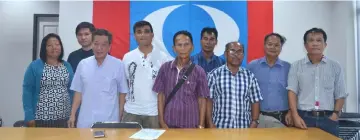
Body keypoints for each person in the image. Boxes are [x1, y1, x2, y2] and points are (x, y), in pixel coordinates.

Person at [287, 28, 347, 137]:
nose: (315, 44)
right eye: (311, 40)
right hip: (304, 117)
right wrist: (295, 115)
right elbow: (292, 92)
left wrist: (335, 114)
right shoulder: (296, 66)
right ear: (305, 45)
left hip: (329, 119)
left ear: (325, 45)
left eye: (319, 40)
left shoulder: (335, 66)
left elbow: (341, 94)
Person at [68, 29, 128, 128]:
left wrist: (120, 116)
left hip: (110, 120)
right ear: (92, 45)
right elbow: (78, 92)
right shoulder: (83, 64)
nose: (99, 48)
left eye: (104, 45)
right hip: (85, 120)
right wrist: (72, 114)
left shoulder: (118, 64)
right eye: (96, 44)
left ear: (109, 47)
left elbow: (122, 93)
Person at [152, 30, 209, 128]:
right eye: (179, 45)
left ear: (192, 47)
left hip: (191, 124)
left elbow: (202, 99)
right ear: (174, 48)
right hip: (168, 123)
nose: (183, 48)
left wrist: (201, 124)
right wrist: (161, 122)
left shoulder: (199, 71)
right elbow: (160, 96)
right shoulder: (165, 68)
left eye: (186, 44)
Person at [122, 21, 171, 128]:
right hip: (131, 111)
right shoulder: (127, 57)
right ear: (134, 36)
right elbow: (125, 85)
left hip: (154, 112)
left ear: (152, 35)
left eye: (146, 32)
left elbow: (165, 89)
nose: (143, 35)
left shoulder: (163, 57)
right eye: (139, 32)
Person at [22, 33, 74, 128]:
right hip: (41, 118)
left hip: (64, 118)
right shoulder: (35, 66)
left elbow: (72, 90)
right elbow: (27, 91)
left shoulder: (67, 66)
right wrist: (29, 116)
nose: (54, 47)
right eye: (50, 45)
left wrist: (73, 114)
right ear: (44, 48)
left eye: (57, 44)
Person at [207, 42, 263, 128]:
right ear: (225, 54)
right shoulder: (214, 75)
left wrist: (255, 122)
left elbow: (255, 101)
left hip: (244, 128)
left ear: (243, 55)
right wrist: (210, 123)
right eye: (232, 51)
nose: (236, 55)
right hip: (220, 127)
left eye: (240, 52)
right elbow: (209, 101)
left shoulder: (249, 76)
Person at [247, 33, 292, 128]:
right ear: (264, 46)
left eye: (276, 45)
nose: (273, 47)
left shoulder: (288, 68)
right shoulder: (252, 66)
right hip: (258, 117)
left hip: (282, 117)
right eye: (270, 44)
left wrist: (291, 111)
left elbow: (294, 92)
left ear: (281, 48)